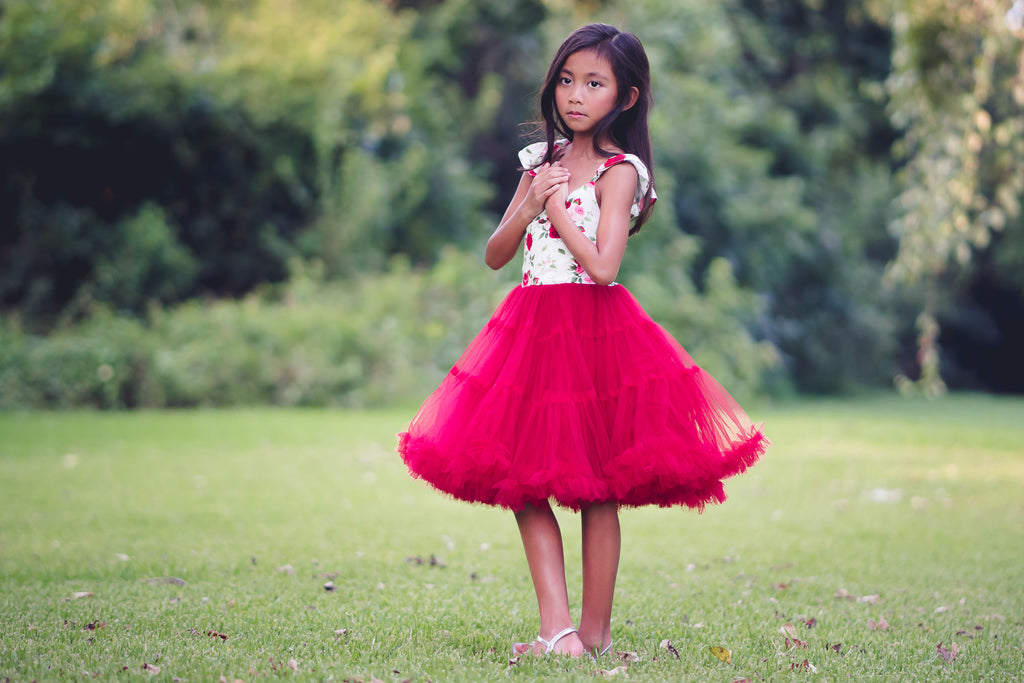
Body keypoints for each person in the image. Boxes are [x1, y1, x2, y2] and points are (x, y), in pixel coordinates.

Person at [398, 23, 768, 660]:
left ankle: (591, 636)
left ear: (624, 98)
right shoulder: (537, 162)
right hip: (530, 330)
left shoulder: (622, 172)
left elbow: (603, 267)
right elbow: (495, 255)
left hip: (595, 331)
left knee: (598, 487)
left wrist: (559, 209)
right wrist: (529, 202)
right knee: (520, 480)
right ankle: (557, 629)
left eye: (594, 84)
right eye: (567, 80)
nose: (575, 95)